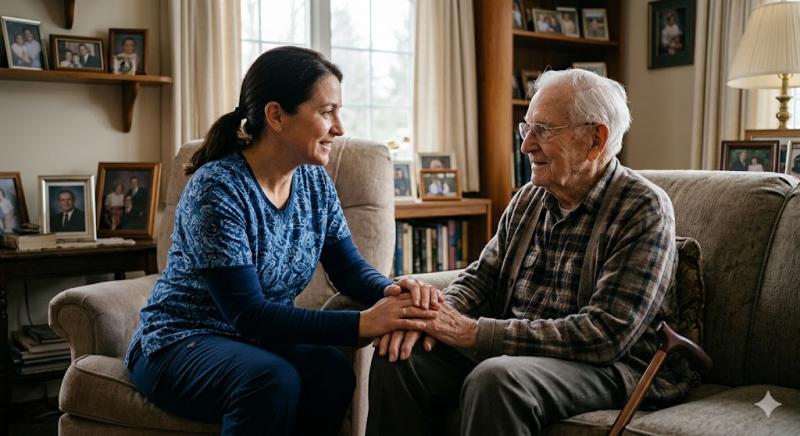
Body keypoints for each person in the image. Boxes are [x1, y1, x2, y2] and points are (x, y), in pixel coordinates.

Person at [125, 46, 441, 436]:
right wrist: (362, 323)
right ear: (276, 116)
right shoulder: (217, 189)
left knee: (331, 371)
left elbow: (349, 269)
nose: (339, 128)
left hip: (252, 341)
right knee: (271, 380)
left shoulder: (313, 182)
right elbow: (249, 314)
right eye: (327, 112)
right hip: (177, 342)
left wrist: (393, 291)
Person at [367, 69, 693, 436]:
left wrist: (475, 333)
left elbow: (606, 335)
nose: (525, 146)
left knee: (497, 380)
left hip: (613, 365)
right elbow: (481, 280)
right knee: (399, 355)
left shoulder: (643, 208)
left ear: (595, 138)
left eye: (543, 130)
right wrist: (430, 318)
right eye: (527, 129)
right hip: (523, 353)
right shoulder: (528, 199)